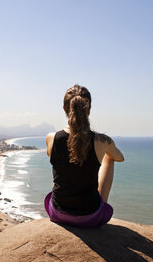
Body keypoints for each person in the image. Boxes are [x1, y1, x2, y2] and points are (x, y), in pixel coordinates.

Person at [44, 84, 125, 228]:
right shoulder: (102, 141)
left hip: (59, 214)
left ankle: (64, 202)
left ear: (64, 109)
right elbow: (120, 157)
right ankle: (102, 202)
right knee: (109, 157)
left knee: (59, 167)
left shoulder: (51, 138)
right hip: (90, 217)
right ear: (89, 110)